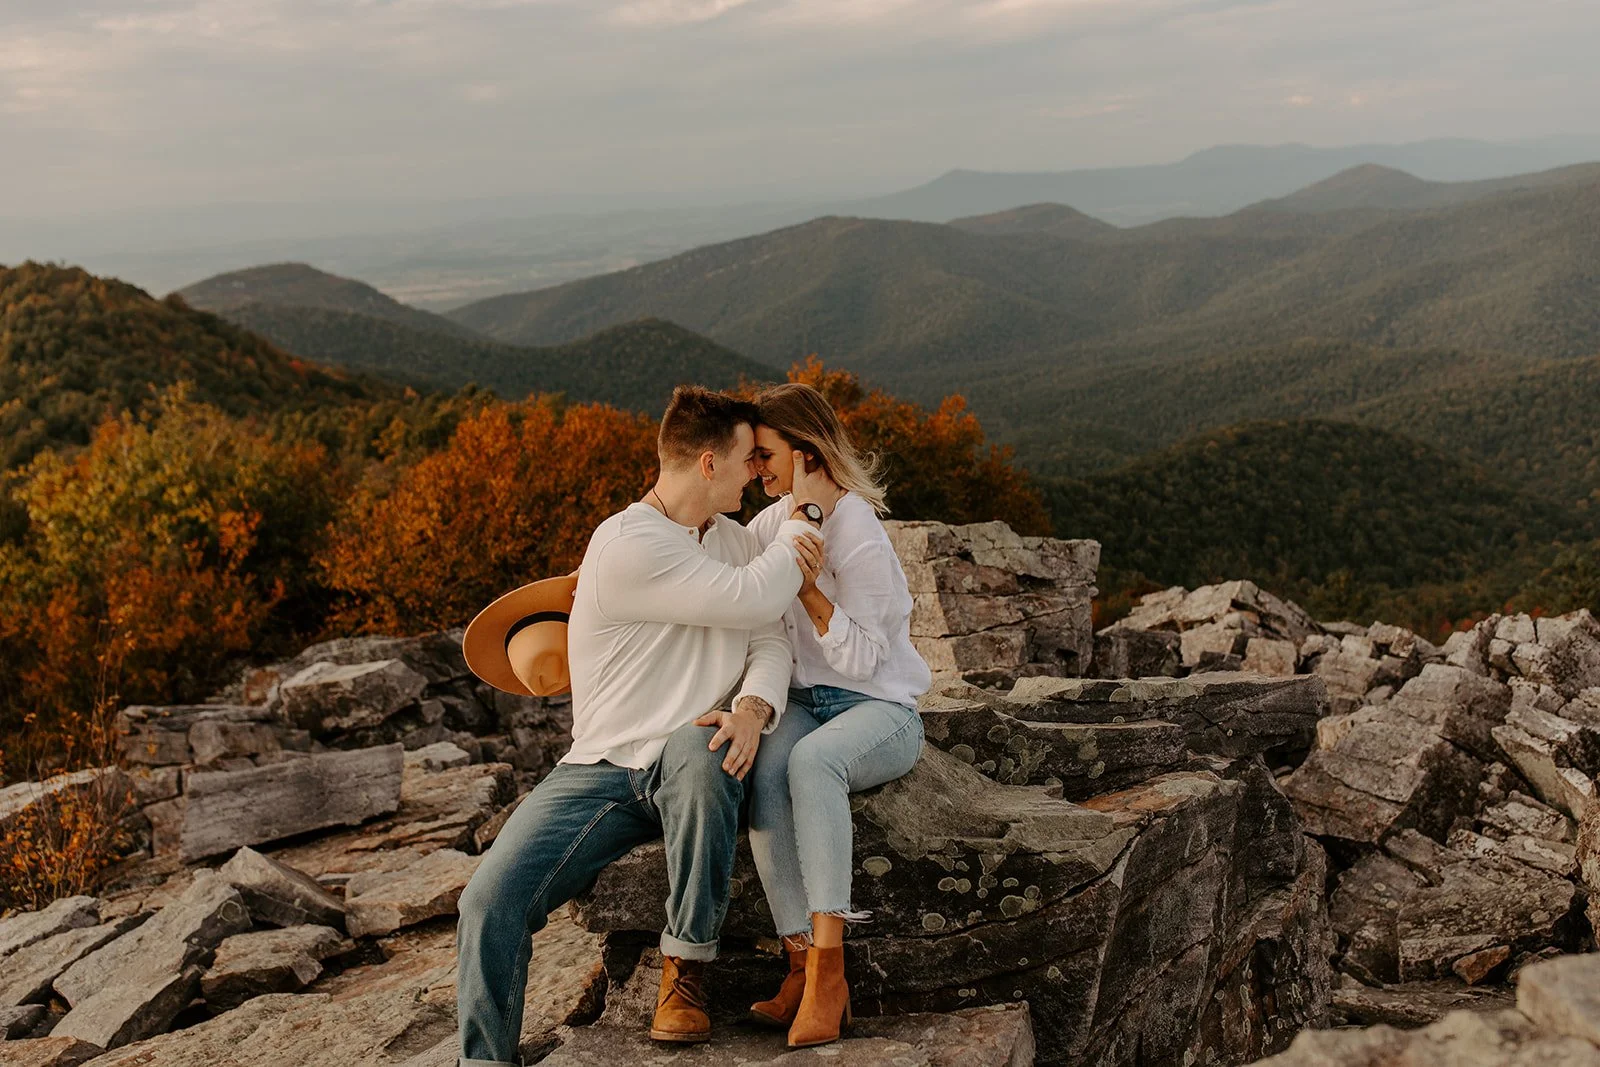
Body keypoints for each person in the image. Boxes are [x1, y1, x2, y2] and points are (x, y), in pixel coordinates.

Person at [454, 386, 835, 1064]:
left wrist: (752, 707)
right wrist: (807, 512)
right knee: (488, 900)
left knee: (704, 741)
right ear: (710, 463)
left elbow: (769, 636)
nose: (756, 472)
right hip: (599, 769)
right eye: (750, 458)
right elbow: (755, 596)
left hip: (691, 754)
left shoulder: (736, 540)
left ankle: (684, 970)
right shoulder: (626, 543)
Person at [741, 381, 932, 1049]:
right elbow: (722, 572)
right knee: (761, 766)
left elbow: (867, 660)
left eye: (766, 454)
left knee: (812, 761)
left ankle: (830, 973)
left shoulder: (860, 533)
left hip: (879, 707)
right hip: (804, 702)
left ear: (807, 452)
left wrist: (814, 593)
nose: (756, 468)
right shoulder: (772, 522)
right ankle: (796, 959)